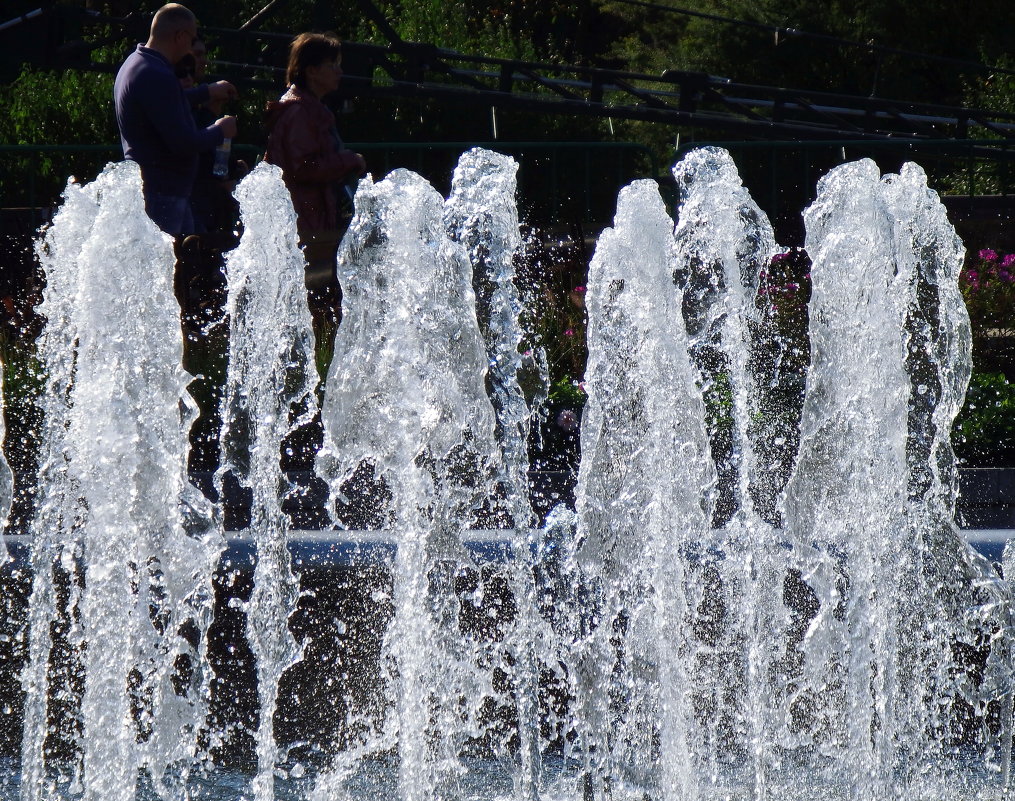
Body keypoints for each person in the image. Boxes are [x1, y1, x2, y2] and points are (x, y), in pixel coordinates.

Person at [113, 3, 238, 235]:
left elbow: (165, 103)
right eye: (191, 41)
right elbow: (183, 143)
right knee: (175, 268)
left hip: (160, 191)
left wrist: (206, 92)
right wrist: (221, 129)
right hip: (163, 195)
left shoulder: (139, 63)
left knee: (192, 264)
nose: (191, 50)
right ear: (180, 36)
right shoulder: (156, 74)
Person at [264, 32, 366, 241]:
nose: (339, 71)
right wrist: (349, 160)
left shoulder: (307, 108)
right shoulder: (300, 112)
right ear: (311, 71)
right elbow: (304, 167)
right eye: (332, 65)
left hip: (309, 214)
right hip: (305, 218)